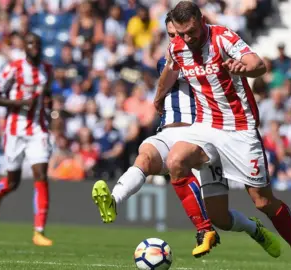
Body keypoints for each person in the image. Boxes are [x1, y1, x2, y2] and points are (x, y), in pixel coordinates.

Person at [159, 2, 291, 269]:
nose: (187, 39)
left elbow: (257, 63)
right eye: (181, 34)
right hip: (205, 127)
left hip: (240, 130)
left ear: (201, 19)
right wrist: (158, 97)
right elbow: (170, 70)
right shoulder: (177, 47)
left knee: (262, 202)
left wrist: (246, 69)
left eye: (191, 32)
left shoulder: (222, 37)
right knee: (176, 160)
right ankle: (204, 229)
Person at [92, 13, 223, 258]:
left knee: (225, 216)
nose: (176, 40)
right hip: (169, 132)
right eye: (171, 35)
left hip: (200, 132)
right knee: (144, 157)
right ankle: (113, 200)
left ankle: (253, 229)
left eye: (180, 35)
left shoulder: (204, 58)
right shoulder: (166, 62)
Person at [0, 33, 54, 247]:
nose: (35, 47)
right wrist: (16, 103)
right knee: (13, 182)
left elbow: (47, 94)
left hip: (38, 130)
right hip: (15, 131)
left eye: (38, 44)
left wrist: (49, 109)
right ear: (24, 46)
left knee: (41, 175)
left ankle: (39, 231)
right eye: (31, 43)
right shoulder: (13, 68)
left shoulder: (47, 70)